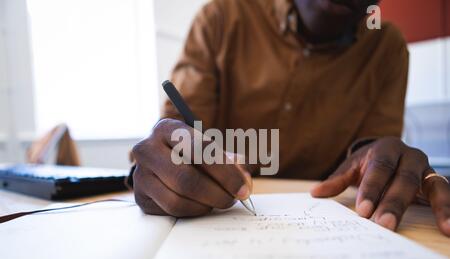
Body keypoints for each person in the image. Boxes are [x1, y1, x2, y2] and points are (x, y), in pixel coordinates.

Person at [130, 0, 450, 236]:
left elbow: (372, 150)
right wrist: (164, 165)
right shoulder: (222, 18)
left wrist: (380, 160)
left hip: (329, 233)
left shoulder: (387, 46)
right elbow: (177, 137)